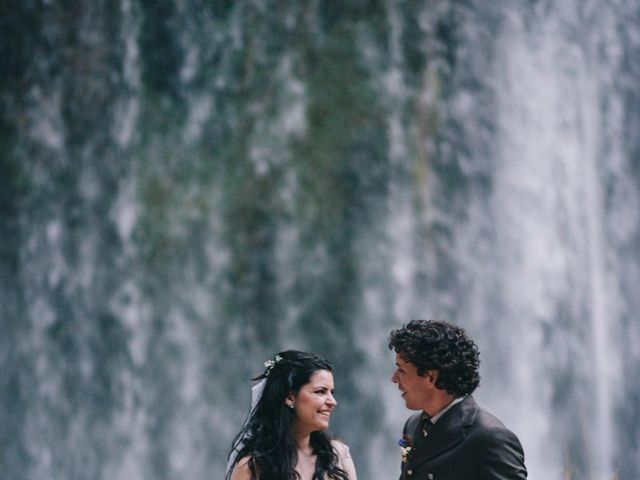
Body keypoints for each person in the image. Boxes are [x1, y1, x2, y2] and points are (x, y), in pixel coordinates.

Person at [389, 320, 527, 480]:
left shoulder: (491, 437)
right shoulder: (412, 426)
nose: (394, 378)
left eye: (402, 370)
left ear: (431, 377)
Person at [226, 350, 358, 480]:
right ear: (290, 397)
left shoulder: (337, 455)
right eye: (320, 392)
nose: (333, 402)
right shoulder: (253, 466)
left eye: (331, 392)